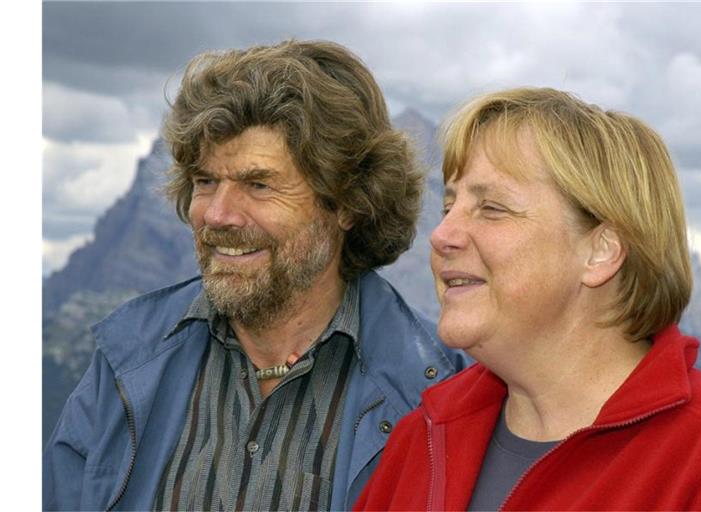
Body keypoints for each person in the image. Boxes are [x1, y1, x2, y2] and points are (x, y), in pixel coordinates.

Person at [43, 39, 468, 511]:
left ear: (347, 203)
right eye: (206, 181)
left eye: (258, 184)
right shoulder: (126, 361)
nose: (218, 215)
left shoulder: (440, 392)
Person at [354, 87, 701, 511]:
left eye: (491, 208)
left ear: (601, 251)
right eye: (448, 207)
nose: (441, 236)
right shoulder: (422, 439)